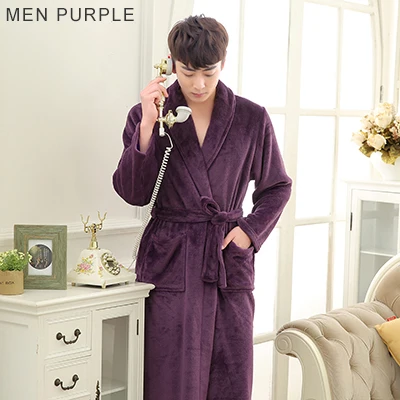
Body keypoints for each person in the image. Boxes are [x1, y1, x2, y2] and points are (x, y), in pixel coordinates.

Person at [113, 15, 292, 400]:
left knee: (229, 373)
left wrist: (248, 232)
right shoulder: (148, 115)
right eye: (188, 72)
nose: (198, 84)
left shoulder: (251, 118)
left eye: (208, 73)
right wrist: (147, 126)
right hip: (170, 258)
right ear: (171, 64)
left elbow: (277, 186)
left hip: (225, 258)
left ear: (222, 63)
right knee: (167, 375)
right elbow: (134, 193)